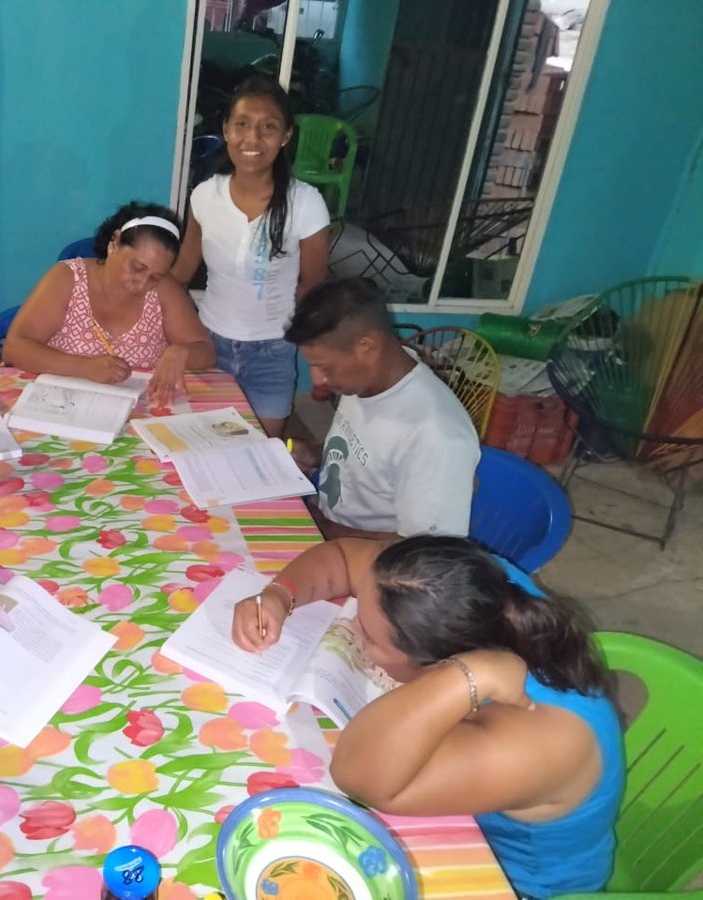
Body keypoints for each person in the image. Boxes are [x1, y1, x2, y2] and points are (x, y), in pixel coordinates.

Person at [231, 536, 622, 900]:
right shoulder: (468, 591)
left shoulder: (536, 738)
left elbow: (359, 774)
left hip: (516, 883)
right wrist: (280, 595)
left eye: (367, 634)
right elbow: (347, 558)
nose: (353, 631)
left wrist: (467, 677)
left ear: (438, 664)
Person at [172, 77, 330, 438]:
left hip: (272, 352)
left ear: (286, 136)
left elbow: (312, 289)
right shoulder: (204, 196)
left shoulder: (306, 204)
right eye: (241, 124)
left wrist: (316, 350)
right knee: (205, 443)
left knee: (259, 450)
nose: (252, 138)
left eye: (268, 127)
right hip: (208, 345)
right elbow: (180, 273)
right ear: (226, 129)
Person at [285, 278, 480, 540]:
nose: (318, 380)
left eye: (325, 367)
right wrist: (317, 452)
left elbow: (424, 554)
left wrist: (323, 528)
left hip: (370, 563)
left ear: (367, 345)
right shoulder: (367, 380)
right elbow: (371, 455)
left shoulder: (436, 436)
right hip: (328, 523)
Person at [1, 201, 215, 406]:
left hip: (135, 412)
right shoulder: (68, 279)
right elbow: (15, 347)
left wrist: (182, 353)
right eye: (137, 268)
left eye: (155, 277)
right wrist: (84, 367)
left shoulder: (165, 291)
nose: (142, 284)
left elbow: (206, 352)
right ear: (114, 243)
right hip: (60, 406)